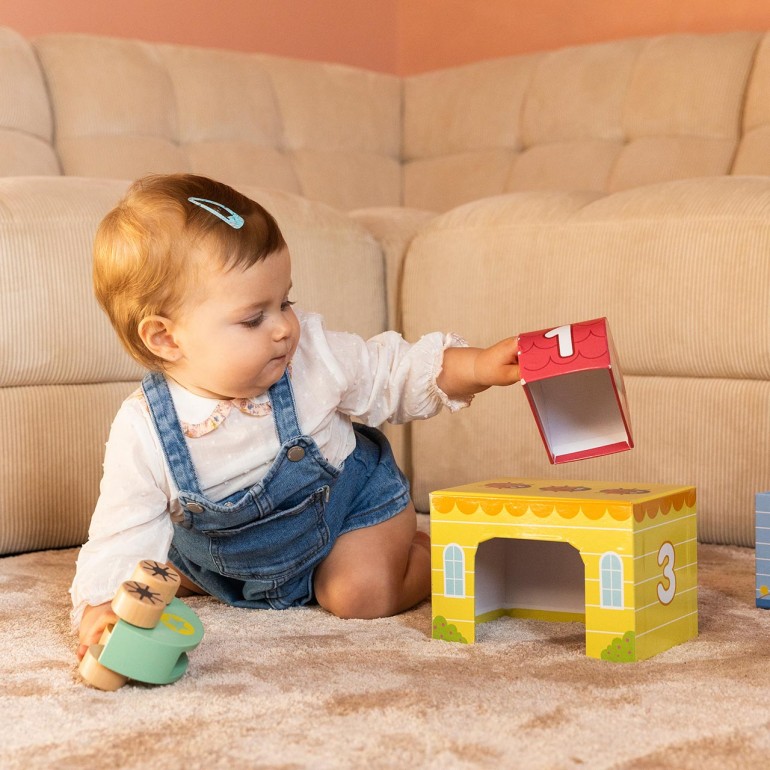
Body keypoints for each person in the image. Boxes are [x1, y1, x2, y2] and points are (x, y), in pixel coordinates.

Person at [72, 173, 520, 660]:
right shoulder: (144, 429)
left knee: (358, 595)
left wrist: (476, 367)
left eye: (284, 301)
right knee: (158, 571)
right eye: (253, 318)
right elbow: (124, 528)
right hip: (231, 561)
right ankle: (244, 582)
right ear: (165, 337)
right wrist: (103, 605)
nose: (284, 328)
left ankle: (424, 554)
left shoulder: (310, 359)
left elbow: (389, 373)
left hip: (348, 513)